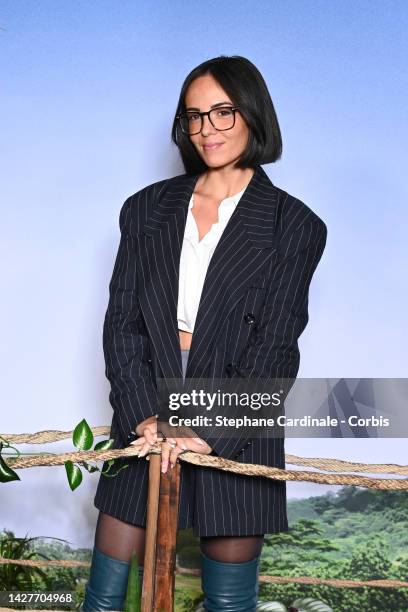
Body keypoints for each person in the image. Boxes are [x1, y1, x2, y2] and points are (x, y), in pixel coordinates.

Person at [81, 55, 327, 611]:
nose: (206, 130)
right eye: (194, 116)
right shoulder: (145, 208)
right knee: (104, 597)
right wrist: (145, 414)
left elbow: (276, 346)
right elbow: (121, 326)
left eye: (223, 112)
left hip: (238, 413)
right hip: (148, 406)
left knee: (229, 604)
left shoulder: (296, 225)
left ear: (253, 115)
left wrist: (210, 426)